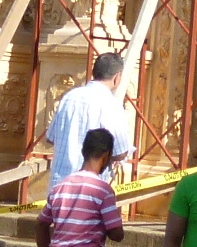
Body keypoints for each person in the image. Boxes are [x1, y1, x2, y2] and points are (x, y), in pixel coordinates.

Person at [46, 52, 133, 187]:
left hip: (59, 185)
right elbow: (120, 153)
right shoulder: (111, 104)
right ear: (117, 77)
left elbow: (50, 138)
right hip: (89, 189)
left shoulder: (69, 97)